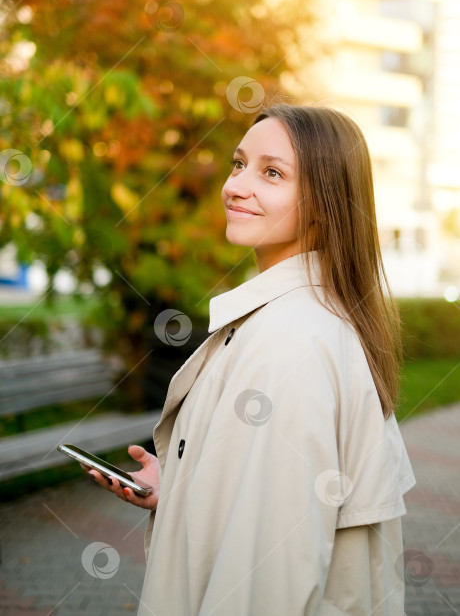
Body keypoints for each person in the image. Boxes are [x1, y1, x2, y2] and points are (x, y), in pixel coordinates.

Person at [86, 103, 416, 615]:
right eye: (239, 164)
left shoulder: (289, 342)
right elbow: (267, 503)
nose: (236, 186)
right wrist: (181, 484)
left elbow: (270, 576)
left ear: (326, 205)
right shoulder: (296, 318)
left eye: (273, 173)